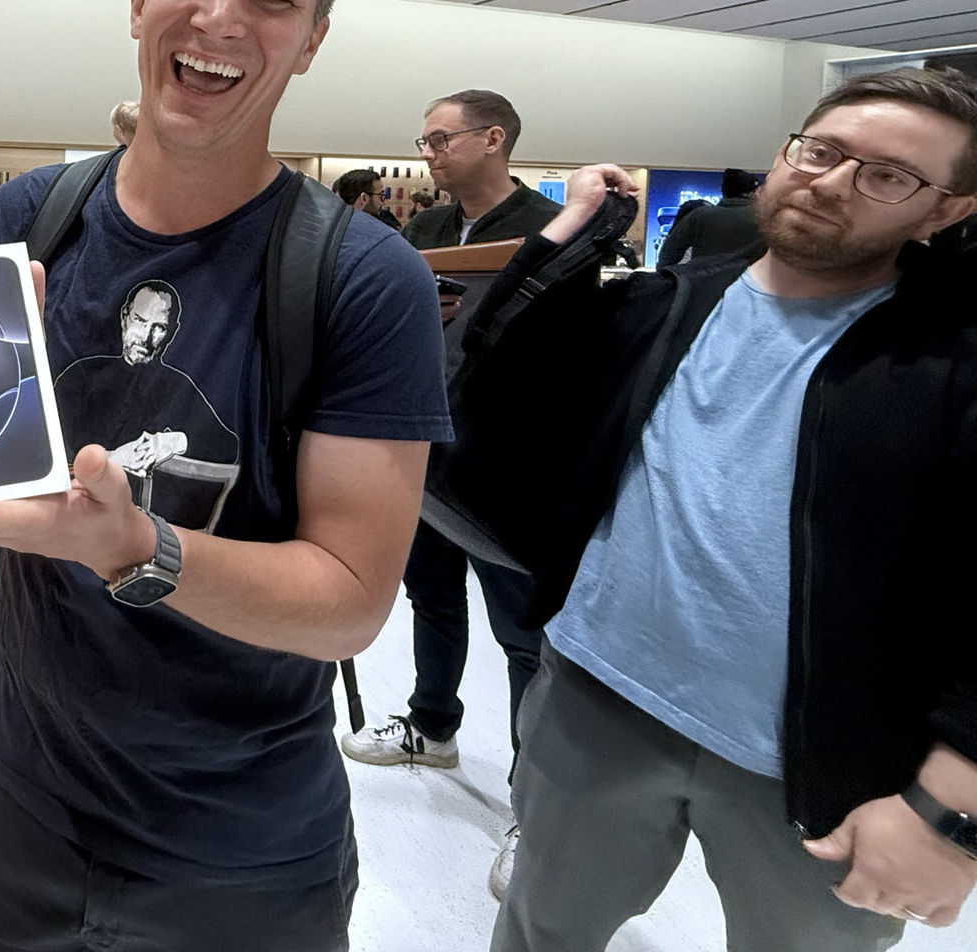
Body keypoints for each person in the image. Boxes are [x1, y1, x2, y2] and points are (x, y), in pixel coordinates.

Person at [0, 0, 453, 951]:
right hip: (13, 801)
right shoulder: (33, 219)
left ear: (313, 39)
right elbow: (3, 479)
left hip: (237, 843)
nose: (223, 17)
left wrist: (137, 551)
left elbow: (350, 602)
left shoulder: (363, 278)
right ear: (140, 3)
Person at [448, 67, 977, 949]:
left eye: (887, 175)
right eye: (823, 152)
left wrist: (948, 809)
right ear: (785, 153)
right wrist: (571, 229)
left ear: (946, 212)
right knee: (542, 931)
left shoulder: (949, 364)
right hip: (593, 698)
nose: (833, 181)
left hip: (822, 764)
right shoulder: (669, 304)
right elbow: (490, 387)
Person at [343, 88, 561, 896]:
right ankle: (432, 725)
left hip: (508, 455)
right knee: (431, 595)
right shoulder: (429, 229)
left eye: (440, 139)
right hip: (427, 444)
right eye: (424, 141)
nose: (428, 154)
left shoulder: (549, 227)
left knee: (521, 635)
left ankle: (533, 809)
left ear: (491, 139)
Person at [658, 166, 764, 267]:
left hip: (704, 282)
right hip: (750, 283)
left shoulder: (698, 216)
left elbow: (669, 255)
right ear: (752, 193)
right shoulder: (764, 220)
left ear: (723, 191)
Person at [336, 166, 400, 230]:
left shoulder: (333, 226)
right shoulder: (379, 231)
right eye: (381, 195)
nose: (384, 202)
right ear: (364, 198)